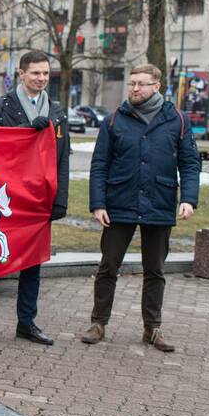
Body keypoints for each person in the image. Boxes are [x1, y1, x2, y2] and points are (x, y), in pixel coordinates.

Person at [82, 63, 199, 351]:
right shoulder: (114, 120)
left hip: (159, 202)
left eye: (141, 84)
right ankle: (98, 323)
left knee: (155, 270)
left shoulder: (177, 120)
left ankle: (152, 328)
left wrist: (188, 198)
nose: (134, 88)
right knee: (108, 266)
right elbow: (99, 165)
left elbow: (190, 163)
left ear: (156, 86)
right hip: (118, 202)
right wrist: (98, 203)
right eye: (132, 83)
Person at [0, 50, 69, 347]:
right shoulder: (2, 106)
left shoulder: (57, 111)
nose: (42, 79)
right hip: (5, 196)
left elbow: (63, 159)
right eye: (36, 73)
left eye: (46, 73)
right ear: (21, 74)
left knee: (32, 265)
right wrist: (24, 130)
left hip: (38, 199)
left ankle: (26, 322)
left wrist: (59, 200)